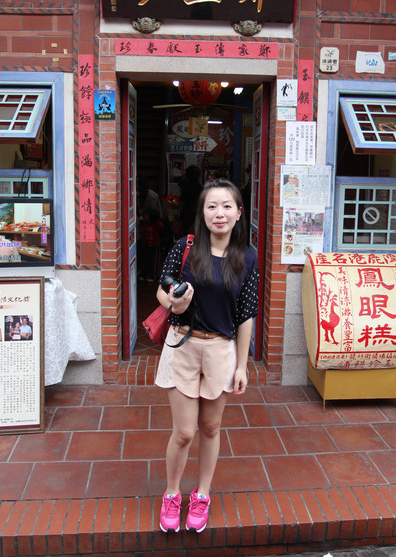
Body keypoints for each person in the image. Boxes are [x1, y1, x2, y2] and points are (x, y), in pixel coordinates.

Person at [155, 178, 259, 534]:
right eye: (212, 206)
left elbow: (245, 314)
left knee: (211, 428)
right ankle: (172, 494)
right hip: (182, 344)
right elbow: (162, 288)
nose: (220, 213)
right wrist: (174, 302)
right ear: (202, 212)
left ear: (239, 213)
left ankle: (202, 494)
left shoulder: (247, 257)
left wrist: (242, 365)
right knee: (184, 432)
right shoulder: (185, 246)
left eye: (227, 206)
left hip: (220, 348)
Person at [179, 164, 203, 234]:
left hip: (187, 217)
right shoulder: (201, 189)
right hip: (199, 216)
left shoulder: (186, 188)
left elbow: (181, 203)